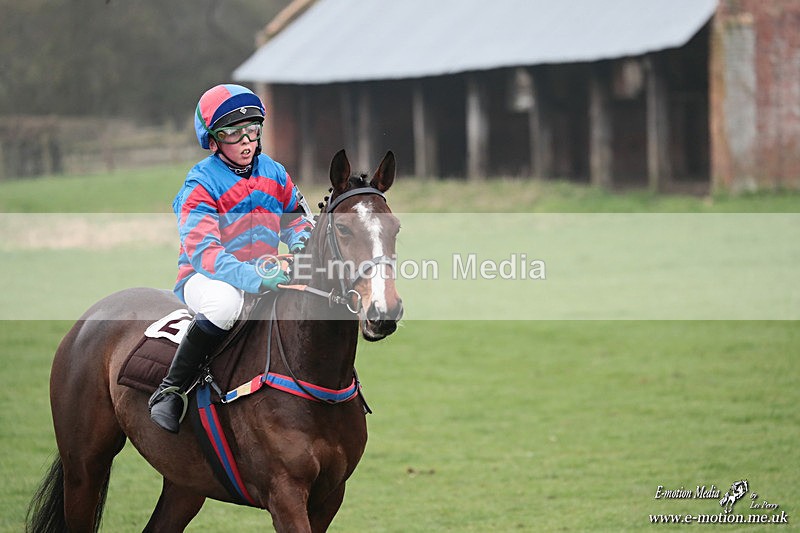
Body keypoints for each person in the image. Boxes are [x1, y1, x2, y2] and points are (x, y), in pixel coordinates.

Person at [149, 84, 314, 433]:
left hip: (265, 273)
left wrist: (300, 243)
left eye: (252, 131)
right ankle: (171, 390)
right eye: (233, 133)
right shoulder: (199, 184)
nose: (246, 141)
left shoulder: (275, 173)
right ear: (213, 141)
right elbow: (205, 255)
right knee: (225, 305)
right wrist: (256, 278)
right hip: (205, 279)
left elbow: (297, 218)